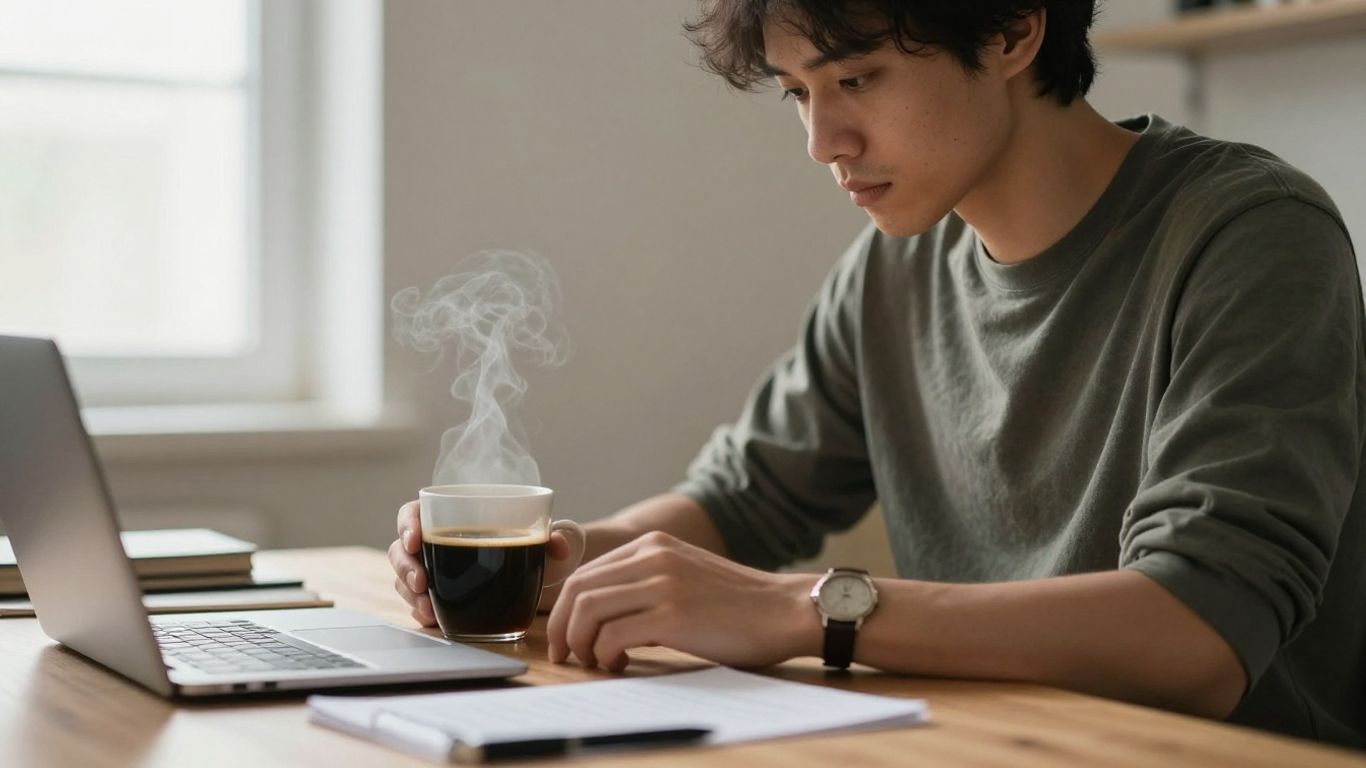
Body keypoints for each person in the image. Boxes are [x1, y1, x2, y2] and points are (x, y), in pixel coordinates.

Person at [389, 0, 1364, 748]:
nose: (823, 143)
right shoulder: (895, 267)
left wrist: (797, 609)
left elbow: (1197, 634)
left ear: (1015, 30)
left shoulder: (1250, 235)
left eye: (857, 79)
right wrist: (571, 561)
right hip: (989, 748)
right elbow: (743, 499)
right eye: (798, 94)